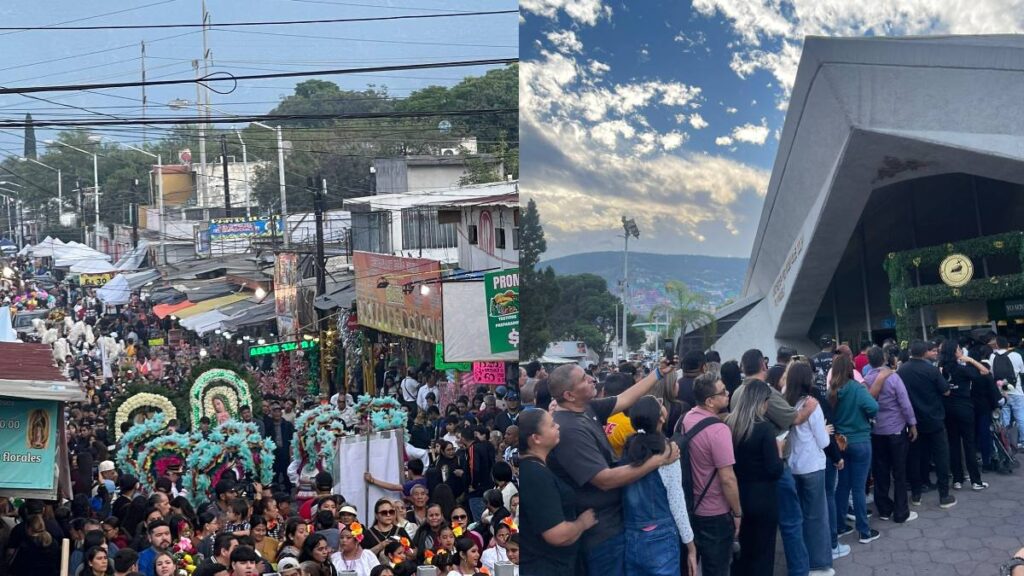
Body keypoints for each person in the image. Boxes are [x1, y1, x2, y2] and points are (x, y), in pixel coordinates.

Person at [546, 361, 679, 576]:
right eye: (583, 379)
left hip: (614, 523)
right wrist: (657, 460)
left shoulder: (586, 408)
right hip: (601, 533)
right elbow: (604, 479)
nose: (592, 379)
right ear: (569, 395)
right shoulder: (570, 430)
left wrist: (658, 373)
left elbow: (626, 398)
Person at [730, 349, 818, 576]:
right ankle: (799, 570)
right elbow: (794, 418)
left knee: (754, 532)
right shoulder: (764, 393)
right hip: (774, 467)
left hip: (747, 475)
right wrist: (809, 408)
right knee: (791, 521)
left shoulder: (737, 393)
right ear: (763, 365)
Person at [621, 396, 697, 576]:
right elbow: (677, 503)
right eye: (659, 404)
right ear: (661, 418)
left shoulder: (628, 449)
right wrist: (691, 547)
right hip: (661, 538)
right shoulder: (668, 453)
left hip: (631, 535)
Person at [519, 408, 596, 576]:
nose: (558, 426)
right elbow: (556, 534)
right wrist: (582, 523)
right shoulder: (535, 474)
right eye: (552, 425)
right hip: (546, 566)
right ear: (536, 438)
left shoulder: (540, 466)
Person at [681, 372, 741, 576]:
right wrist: (737, 512)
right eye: (723, 392)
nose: (728, 393)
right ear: (710, 401)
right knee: (718, 568)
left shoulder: (687, 418)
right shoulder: (719, 430)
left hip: (692, 507)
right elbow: (728, 479)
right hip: (715, 512)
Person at [726, 380, 784, 575]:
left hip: (737, 495)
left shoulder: (729, 425)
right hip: (763, 497)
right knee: (763, 552)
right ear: (761, 401)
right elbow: (775, 469)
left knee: (742, 553)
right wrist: (780, 452)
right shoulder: (764, 428)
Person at [782, 362, 834, 575]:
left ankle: (801, 560)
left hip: (792, 466)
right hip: (812, 466)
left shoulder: (784, 403)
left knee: (798, 517)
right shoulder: (812, 405)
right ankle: (819, 563)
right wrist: (824, 429)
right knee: (817, 516)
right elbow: (823, 442)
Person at [899, 340, 956, 509]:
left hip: (913, 421)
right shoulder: (931, 370)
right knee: (941, 456)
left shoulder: (902, 371)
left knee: (915, 457)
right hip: (934, 418)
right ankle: (944, 495)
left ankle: (916, 495)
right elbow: (946, 390)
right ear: (924, 353)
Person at [864, 346, 918, 524]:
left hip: (876, 432)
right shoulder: (893, 377)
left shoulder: (866, 380)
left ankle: (884, 508)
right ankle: (901, 512)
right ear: (884, 358)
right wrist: (912, 424)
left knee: (880, 471)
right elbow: (905, 403)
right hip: (896, 430)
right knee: (899, 472)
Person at [830, 354, 879, 544]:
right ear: (850, 369)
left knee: (842, 485)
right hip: (860, 441)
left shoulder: (832, 391)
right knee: (858, 488)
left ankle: (840, 526)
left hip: (841, 443)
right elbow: (873, 407)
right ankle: (864, 530)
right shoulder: (856, 388)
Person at [939, 339, 990, 491]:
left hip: (948, 410)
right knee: (969, 444)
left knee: (953, 445)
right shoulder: (962, 369)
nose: (961, 351)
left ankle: (957, 479)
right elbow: (985, 372)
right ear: (955, 352)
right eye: (959, 349)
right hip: (965, 409)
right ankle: (976, 481)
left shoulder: (941, 369)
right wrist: (970, 359)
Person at [990, 336, 1024, 448]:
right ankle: (1022, 441)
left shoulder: (992, 356)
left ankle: (1007, 443)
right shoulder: (1016, 355)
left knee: (1005, 418)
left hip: (1001, 392)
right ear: (1008, 345)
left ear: (997, 345)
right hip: (1016, 390)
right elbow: (1022, 371)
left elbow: (992, 374)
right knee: (1020, 417)